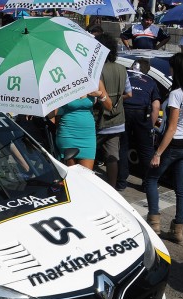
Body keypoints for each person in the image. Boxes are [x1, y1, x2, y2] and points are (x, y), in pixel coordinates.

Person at [145, 53, 183, 241]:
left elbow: (171, 128)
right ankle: (177, 230)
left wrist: (158, 153)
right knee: (181, 189)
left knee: (150, 179)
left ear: (178, 69)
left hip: (174, 144)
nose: (170, 70)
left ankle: (154, 222)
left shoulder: (175, 94)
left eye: (172, 67)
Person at [117, 58, 161, 192]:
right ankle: (148, 184)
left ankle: (121, 182)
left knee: (122, 147)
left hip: (124, 112)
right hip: (141, 114)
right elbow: (156, 106)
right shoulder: (151, 82)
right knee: (146, 149)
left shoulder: (124, 75)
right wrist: (150, 127)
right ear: (147, 70)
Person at [94, 33, 132, 189]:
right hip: (117, 121)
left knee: (89, 154)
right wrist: (116, 100)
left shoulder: (97, 71)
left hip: (99, 120)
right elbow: (129, 94)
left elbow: (96, 98)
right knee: (112, 157)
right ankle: (112, 186)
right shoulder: (122, 69)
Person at [48, 81, 111, 170]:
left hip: (88, 137)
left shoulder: (94, 80)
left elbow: (109, 106)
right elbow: (51, 115)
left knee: (86, 176)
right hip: (67, 135)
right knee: (70, 176)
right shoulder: (63, 82)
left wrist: (99, 94)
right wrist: (56, 100)